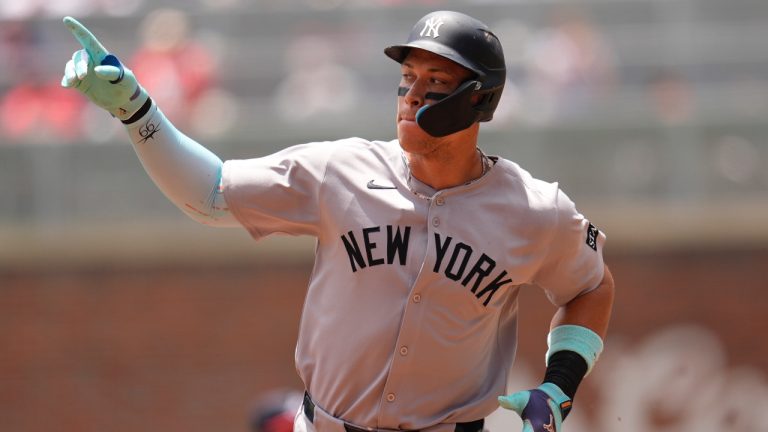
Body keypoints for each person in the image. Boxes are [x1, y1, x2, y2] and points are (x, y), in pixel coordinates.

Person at [60, 11, 614, 432]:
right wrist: (136, 110)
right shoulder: (340, 170)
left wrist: (558, 388)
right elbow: (209, 194)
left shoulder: (535, 210)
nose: (411, 95)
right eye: (407, 77)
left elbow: (591, 285)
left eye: (435, 82)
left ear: (479, 100)